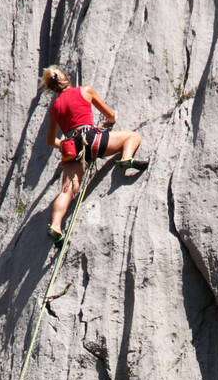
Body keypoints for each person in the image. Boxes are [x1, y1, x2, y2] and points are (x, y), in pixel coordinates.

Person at [40, 65, 146, 246]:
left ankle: (56, 226)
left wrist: (65, 145)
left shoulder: (55, 107)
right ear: (66, 78)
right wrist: (111, 120)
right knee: (132, 136)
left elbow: (51, 141)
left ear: (52, 88)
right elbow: (110, 114)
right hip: (93, 139)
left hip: (73, 149)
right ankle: (127, 159)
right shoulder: (85, 90)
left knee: (67, 190)